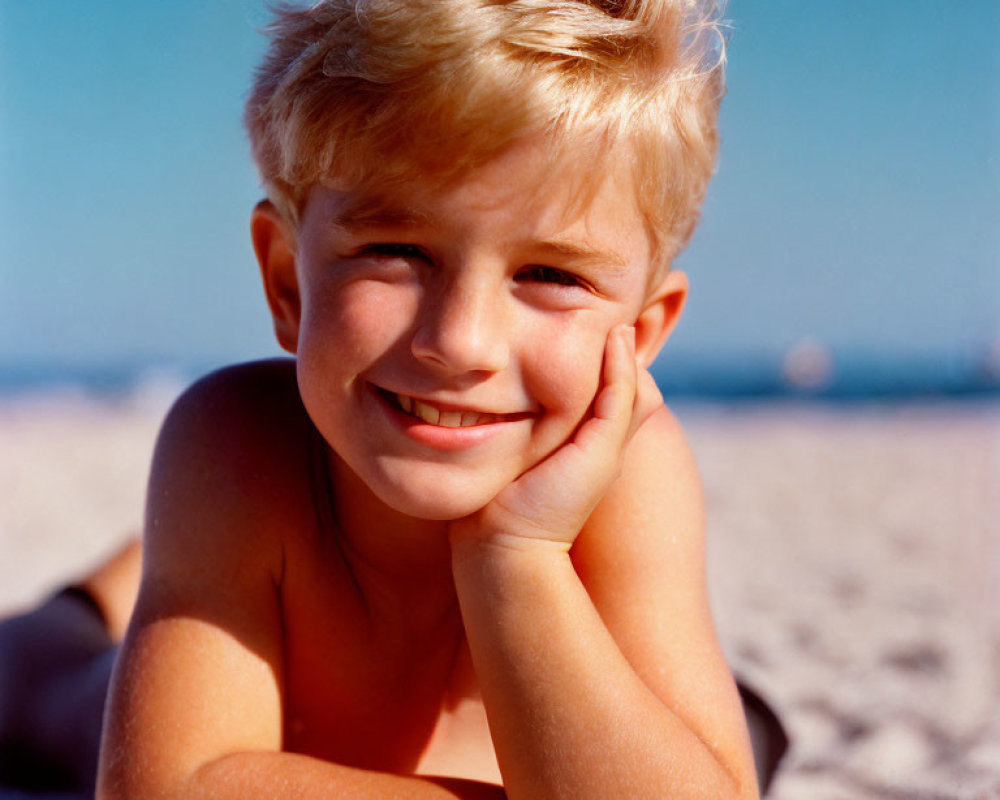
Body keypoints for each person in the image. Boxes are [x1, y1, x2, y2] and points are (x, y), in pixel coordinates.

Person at [1, 1, 783, 797]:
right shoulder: (237, 449)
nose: (461, 342)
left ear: (643, 335)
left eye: (549, 275)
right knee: (29, 678)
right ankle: (91, 600)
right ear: (286, 285)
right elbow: (169, 788)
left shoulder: (629, 476)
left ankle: (138, 566)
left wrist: (516, 557)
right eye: (396, 251)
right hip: (91, 702)